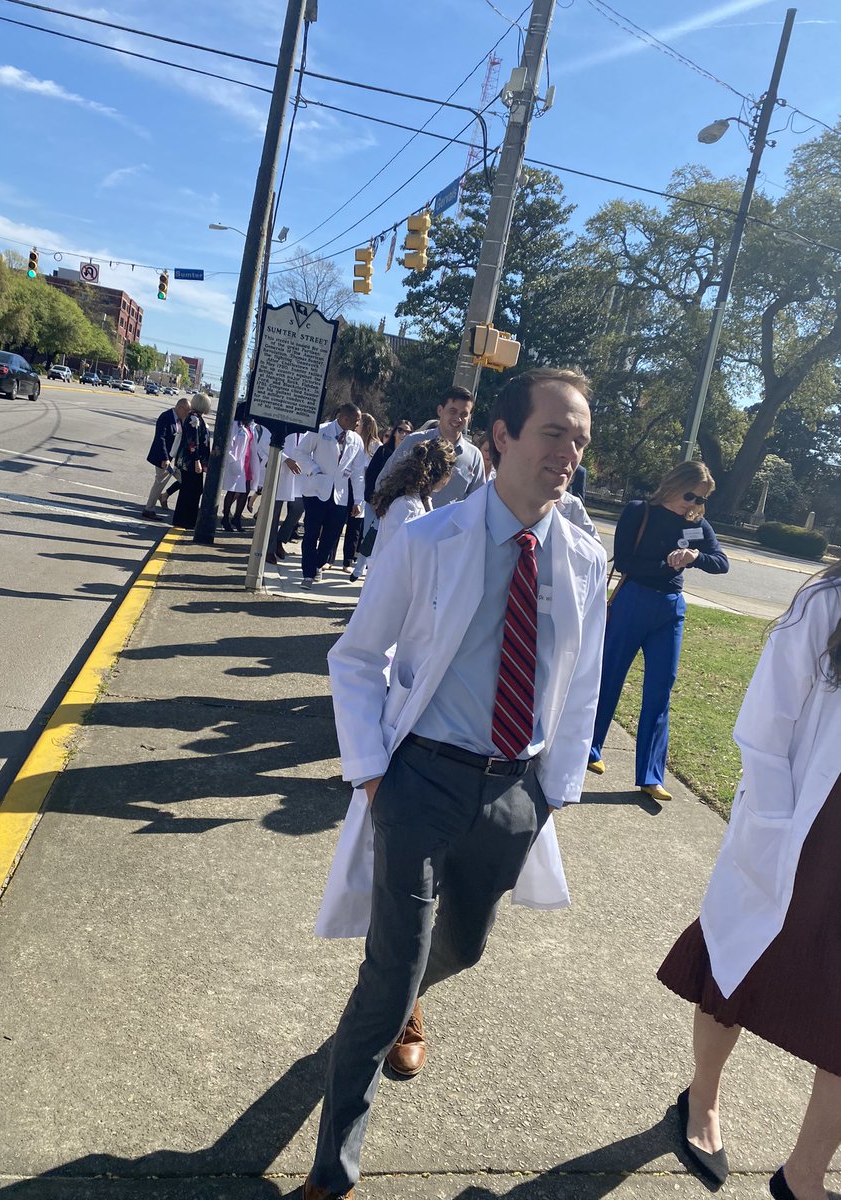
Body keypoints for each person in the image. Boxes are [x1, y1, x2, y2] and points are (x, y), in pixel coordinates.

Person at [303, 367, 607, 1200]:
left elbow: (581, 687)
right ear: (502, 437)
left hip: (514, 796)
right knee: (389, 973)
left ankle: (409, 996)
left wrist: (552, 793)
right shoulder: (427, 541)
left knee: (462, 948)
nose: (569, 452)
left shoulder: (581, 559)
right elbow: (357, 658)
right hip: (423, 780)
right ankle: (333, 1174)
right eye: (554, 433)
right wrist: (370, 772)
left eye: (580, 439)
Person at [657, 562, 841, 1200]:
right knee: (739, 961)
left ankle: (804, 1175)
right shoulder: (828, 602)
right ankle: (701, 1099)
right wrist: (768, 820)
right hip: (803, 824)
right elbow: (767, 722)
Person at [587, 461, 728, 802]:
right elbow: (623, 561)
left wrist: (695, 556)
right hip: (633, 599)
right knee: (609, 677)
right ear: (674, 484)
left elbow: (721, 562)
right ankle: (589, 748)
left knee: (660, 689)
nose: (693, 504)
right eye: (691, 494)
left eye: (701, 498)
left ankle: (651, 775)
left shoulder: (697, 523)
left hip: (670, 608)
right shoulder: (640, 511)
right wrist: (665, 563)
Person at [289, 402, 366, 590]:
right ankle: (308, 574)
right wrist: (314, 471)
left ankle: (318, 563)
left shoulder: (356, 440)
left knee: (332, 536)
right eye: (356, 421)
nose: (358, 425)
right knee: (311, 533)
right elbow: (300, 453)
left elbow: (358, 473)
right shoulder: (321, 430)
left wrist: (358, 500)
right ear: (344, 418)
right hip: (316, 490)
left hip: (340, 494)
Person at [374, 385, 484, 507]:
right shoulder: (414, 442)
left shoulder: (474, 457)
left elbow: (477, 502)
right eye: (453, 411)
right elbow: (384, 481)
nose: (458, 418)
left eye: (464, 414)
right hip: (409, 523)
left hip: (449, 526)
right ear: (440, 410)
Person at [366, 437, 455, 569]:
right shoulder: (407, 506)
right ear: (444, 474)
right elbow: (395, 554)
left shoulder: (419, 501)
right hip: (391, 582)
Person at [349, 419, 413, 582]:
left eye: (407, 432)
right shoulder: (384, 451)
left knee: (385, 540)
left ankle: (374, 572)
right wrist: (373, 499)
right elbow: (371, 476)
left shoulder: (411, 456)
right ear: (394, 432)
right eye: (400, 430)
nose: (403, 434)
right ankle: (359, 569)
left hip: (396, 505)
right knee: (369, 537)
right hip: (375, 502)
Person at [341, 413, 381, 571]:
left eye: (359, 423)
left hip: (362, 488)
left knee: (355, 525)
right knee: (338, 522)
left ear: (366, 426)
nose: (356, 425)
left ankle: (348, 560)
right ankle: (328, 559)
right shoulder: (350, 439)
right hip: (346, 484)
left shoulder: (376, 445)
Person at [142, 396, 190, 521]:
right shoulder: (166, 417)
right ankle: (148, 509)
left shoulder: (179, 420)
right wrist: (165, 458)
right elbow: (160, 438)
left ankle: (164, 496)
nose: (187, 413)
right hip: (164, 459)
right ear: (179, 407)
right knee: (160, 482)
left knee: (185, 480)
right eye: (186, 410)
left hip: (174, 460)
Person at [171, 393, 211, 530]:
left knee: (193, 489)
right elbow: (192, 442)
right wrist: (197, 461)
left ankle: (187, 519)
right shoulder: (193, 418)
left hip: (194, 461)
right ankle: (183, 520)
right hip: (190, 462)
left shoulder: (199, 418)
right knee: (190, 490)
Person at [221, 409, 264, 533]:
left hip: (248, 463)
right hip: (237, 462)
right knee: (232, 491)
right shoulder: (235, 425)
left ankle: (237, 518)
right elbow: (230, 444)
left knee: (245, 492)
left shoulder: (250, 426)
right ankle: (225, 519)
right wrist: (232, 460)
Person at [265, 432, 304, 566]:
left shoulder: (308, 430)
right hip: (280, 470)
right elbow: (265, 445)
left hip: (299, 474)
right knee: (274, 513)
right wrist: (286, 459)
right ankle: (269, 550)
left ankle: (280, 539)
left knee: (299, 508)